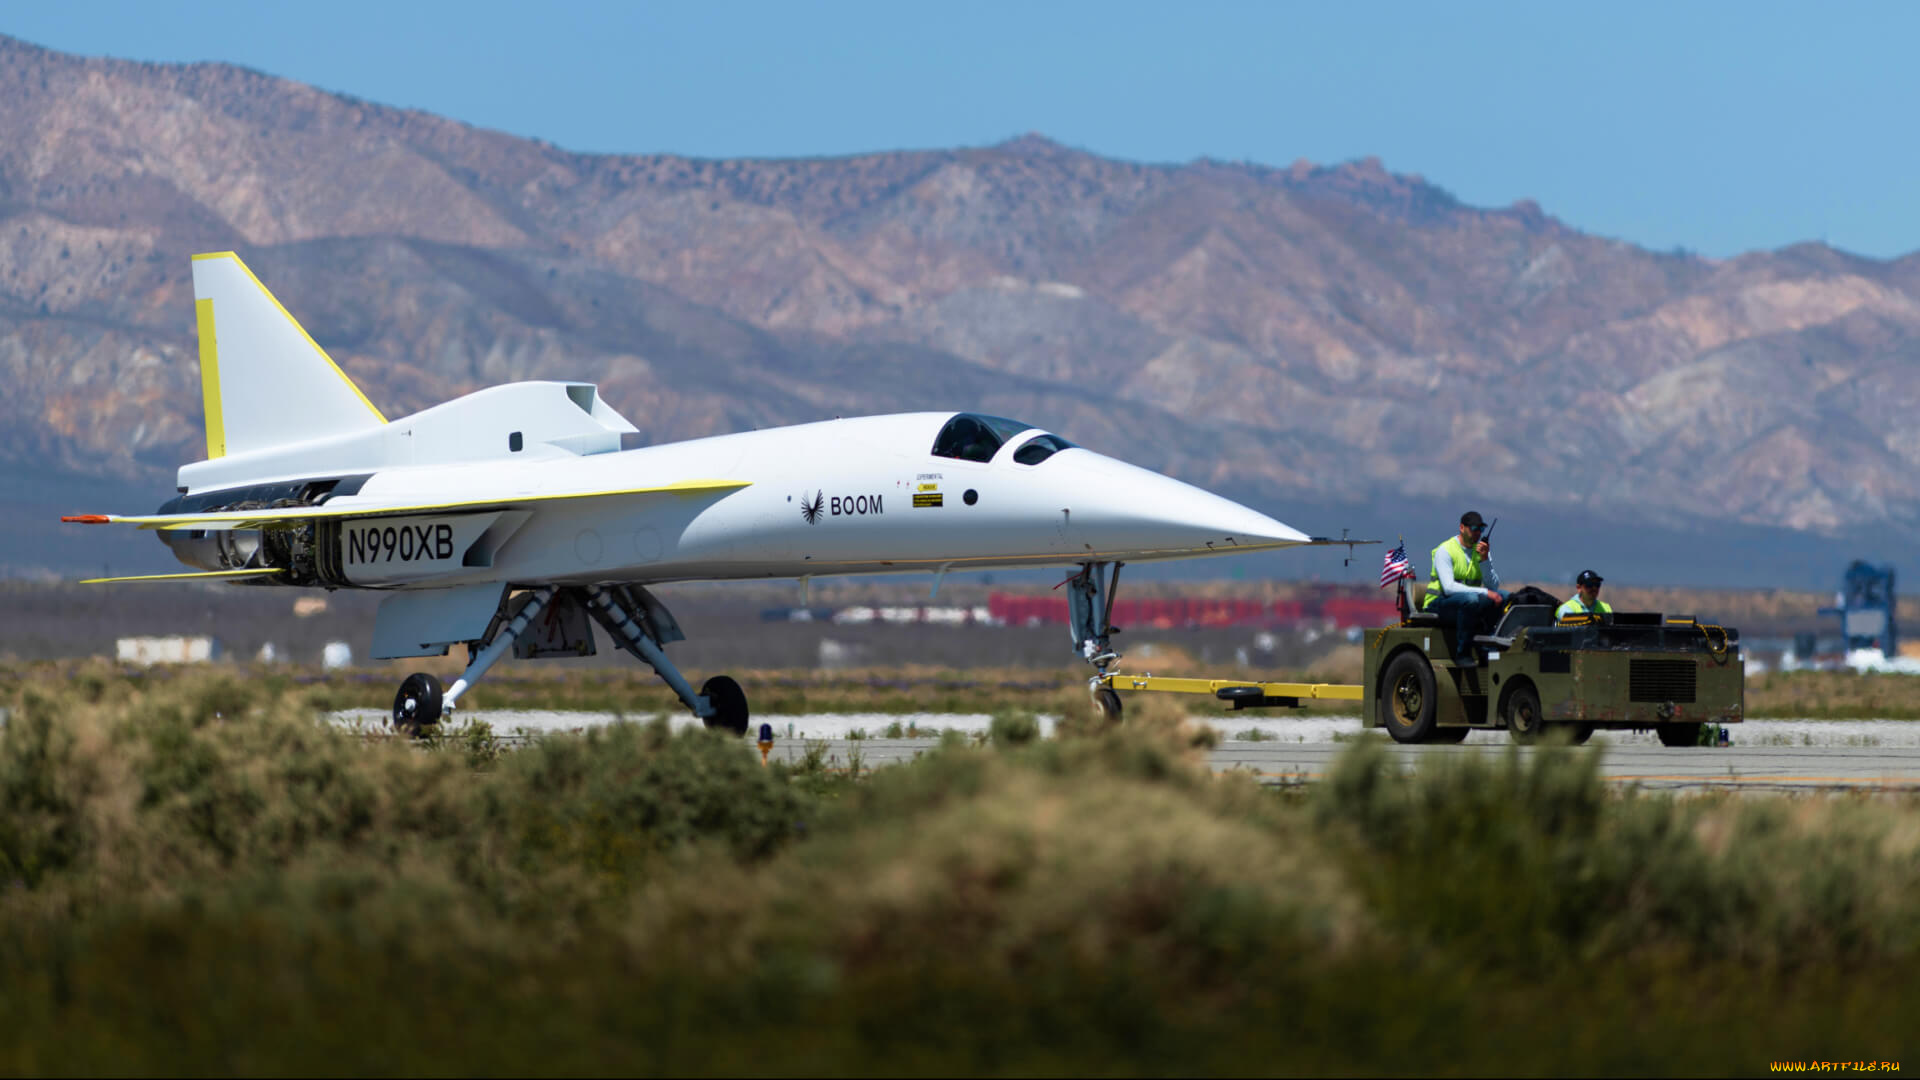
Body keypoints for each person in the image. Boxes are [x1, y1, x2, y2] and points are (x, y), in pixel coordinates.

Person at [1423, 510, 1502, 665]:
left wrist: (1485, 560)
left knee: (1504, 597)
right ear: (1462, 528)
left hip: (1465, 603)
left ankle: (1486, 647)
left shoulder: (1481, 551)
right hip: (1438, 603)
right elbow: (1449, 588)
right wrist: (1485, 592)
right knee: (1471, 600)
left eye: (1481, 529)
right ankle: (1463, 654)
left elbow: (1494, 586)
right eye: (1474, 528)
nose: (1478, 533)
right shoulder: (1445, 550)